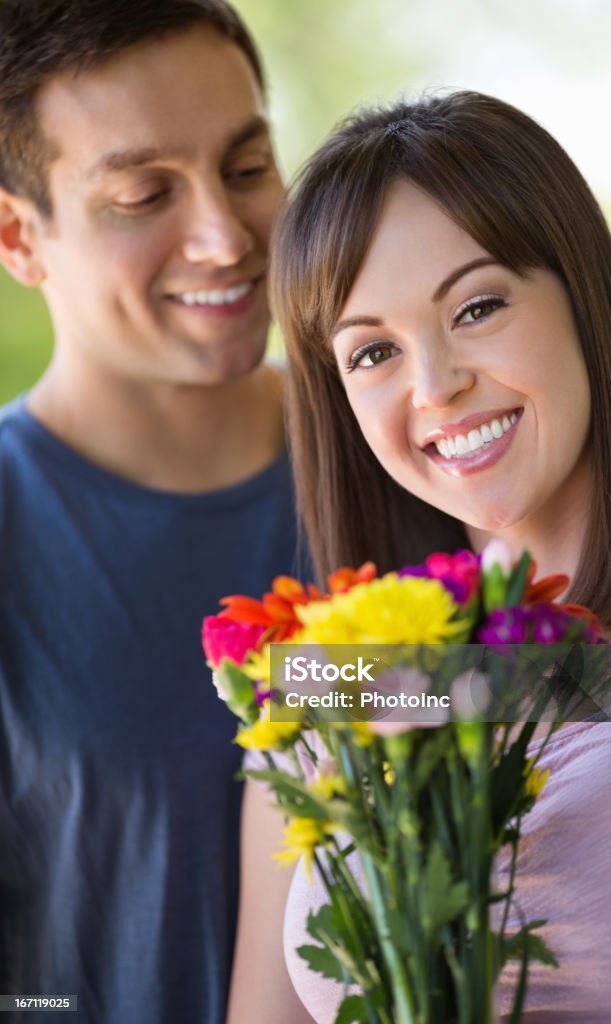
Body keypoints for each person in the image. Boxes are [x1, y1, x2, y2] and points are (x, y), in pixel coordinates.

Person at [227, 92, 611, 1022]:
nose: (436, 386)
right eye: (371, 353)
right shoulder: (332, 683)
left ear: (581, 294)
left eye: (476, 307)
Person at [0, 2, 306, 1022]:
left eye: (248, 166)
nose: (224, 237)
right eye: (143, 194)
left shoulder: (418, 457)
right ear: (18, 234)